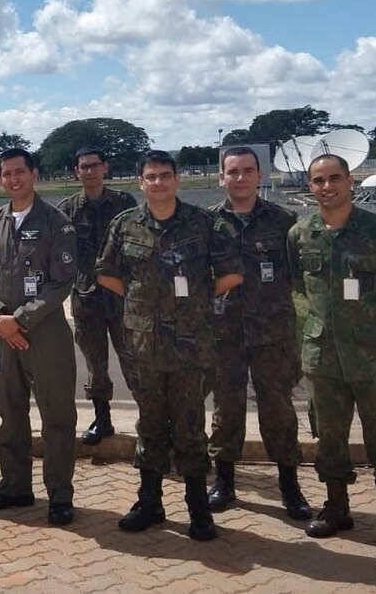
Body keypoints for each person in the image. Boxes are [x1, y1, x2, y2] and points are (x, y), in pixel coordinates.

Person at [95, 150, 243, 541]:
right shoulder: (125, 225)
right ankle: (150, 502)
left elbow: (230, 273)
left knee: (190, 427)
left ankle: (198, 509)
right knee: (149, 425)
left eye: (165, 175)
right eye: (151, 177)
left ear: (176, 180)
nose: (158, 182)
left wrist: (198, 299)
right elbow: (106, 273)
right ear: (141, 183)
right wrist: (143, 300)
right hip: (143, 346)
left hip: (192, 347)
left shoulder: (203, 224)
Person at [287, 154, 376, 553]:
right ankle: (337, 507)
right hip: (322, 354)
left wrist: (367, 323)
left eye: (334, 178)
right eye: (318, 180)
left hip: (371, 355)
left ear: (350, 181)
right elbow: (299, 285)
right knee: (329, 434)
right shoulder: (300, 234)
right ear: (310, 186)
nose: (327, 187)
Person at [0, 148, 78, 526]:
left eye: (20, 172)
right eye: (6, 174)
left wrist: (21, 320)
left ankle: (60, 496)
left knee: (57, 416)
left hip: (44, 333)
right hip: (1, 333)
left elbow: (61, 282)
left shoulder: (56, 223)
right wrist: (0, 317)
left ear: (35, 174)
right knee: (10, 414)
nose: (14, 179)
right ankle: (15, 486)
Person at [206, 147, 311, 520]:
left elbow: (300, 276)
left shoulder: (284, 221)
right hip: (224, 333)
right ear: (222, 177)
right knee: (226, 409)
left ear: (260, 175)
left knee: (278, 409)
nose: (240, 178)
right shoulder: (207, 223)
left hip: (273, 333)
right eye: (232, 171)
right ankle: (224, 482)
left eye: (247, 170)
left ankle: (290, 485)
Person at [57, 147, 136, 445]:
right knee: (95, 364)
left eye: (94, 166)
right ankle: (103, 419)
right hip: (86, 298)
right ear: (76, 172)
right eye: (83, 167)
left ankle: (152, 422)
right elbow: (62, 254)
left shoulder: (123, 203)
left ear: (105, 167)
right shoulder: (68, 209)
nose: (89, 171)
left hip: (121, 297)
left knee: (134, 362)